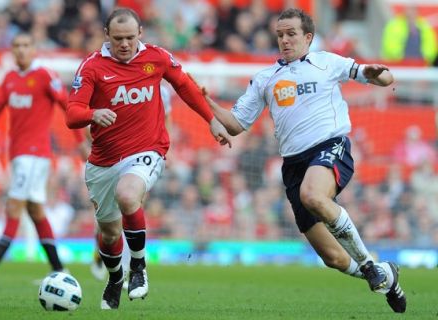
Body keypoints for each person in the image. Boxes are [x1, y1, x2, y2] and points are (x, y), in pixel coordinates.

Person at [200, 8, 406, 313]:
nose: (284, 39)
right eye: (280, 34)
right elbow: (236, 124)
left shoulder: (327, 62)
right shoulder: (265, 79)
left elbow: (380, 77)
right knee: (332, 258)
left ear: (307, 37)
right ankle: (387, 277)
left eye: (291, 33)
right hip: (294, 165)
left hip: (330, 146)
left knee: (313, 195)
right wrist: (205, 101)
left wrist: (381, 73)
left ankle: (368, 263)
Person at [65, 7, 231, 310]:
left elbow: (184, 85)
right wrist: (93, 113)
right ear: (107, 36)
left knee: (129, 196)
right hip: (103, 160)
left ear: (140, 33)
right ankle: (115, 278)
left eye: (130, 37)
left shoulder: (156, 57)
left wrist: (211, 119)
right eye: (118, 39)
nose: (125, 44)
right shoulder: (91, 67)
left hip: (147, 150)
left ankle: (139, 267)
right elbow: (72, 114)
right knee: (108, 232)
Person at [0, 32, 88, 282]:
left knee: (13, 206)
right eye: (17, 46)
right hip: (18, 154)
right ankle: (60, 270)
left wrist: (80, 140)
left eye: (26, 45)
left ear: (33, 49)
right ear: (12, 50)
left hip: (35, 154)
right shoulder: (9, 79)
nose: (21, 50)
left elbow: (67, 106)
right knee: (35, 212)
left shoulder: (44, 75)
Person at [89, 84, 173, 285]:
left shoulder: (162, 91)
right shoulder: (116, 84)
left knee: (131, 205)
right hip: (112, 157)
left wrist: (163, 149)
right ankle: (100, 254)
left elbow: (166, 119)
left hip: (143, 158)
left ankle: (129, 270)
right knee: (109, 217)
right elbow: (87, 124)